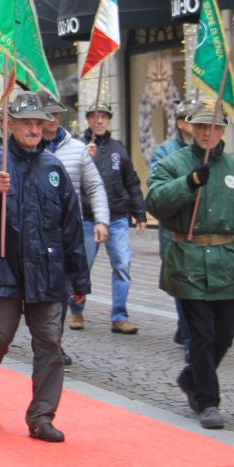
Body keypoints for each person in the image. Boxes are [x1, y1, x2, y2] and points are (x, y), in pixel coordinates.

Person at [0, 91, 89, 442]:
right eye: (27, 123)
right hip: (3, 268)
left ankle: (41, 417)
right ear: (10, 126)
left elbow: (71, 226)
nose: (34, 129)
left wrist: (79, 276)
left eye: (38, 123)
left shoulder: (54, 168)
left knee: (50, 342)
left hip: (48, 272)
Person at [146, 101, 234, 430]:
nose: (206, 132)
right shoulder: (172, 164)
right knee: (200, 334)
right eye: (201, 126)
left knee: (224, 335)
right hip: (187, 260)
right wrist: (188, 184)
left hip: (226, 263)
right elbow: (155, 202)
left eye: (214, 127)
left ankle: (191, 378)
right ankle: (208, 401)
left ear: (222, 131)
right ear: (189, 127)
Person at [37, 91, 108, 366]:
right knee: (40, 294)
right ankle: (43, 340)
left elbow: (95, 186)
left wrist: (101, 220)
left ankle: (54, 344)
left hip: (67, 233)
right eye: (48, 114)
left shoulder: (77, 149)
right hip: (35, 234)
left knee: (62, 290)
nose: (53, 119)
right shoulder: (27, 147)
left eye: (57, 114)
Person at [75, 101, 146, 334]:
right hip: (87, 217)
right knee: (82, 267)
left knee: (122, 266)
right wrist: (84, 157)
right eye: (95, 116)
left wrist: (139, 212)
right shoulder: (78, 146)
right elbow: (71, 178)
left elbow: (131, 181)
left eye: (104, 116)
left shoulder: (119, 148)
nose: (99, 120)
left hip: (116, 217)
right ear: (87, 119)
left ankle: (119, 315)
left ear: (109, 120)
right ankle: (76, 309)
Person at [148, 100, 202, 351]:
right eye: (194, 119)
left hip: (202, 228)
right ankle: (191, 337)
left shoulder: (207, 151)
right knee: (182, 281)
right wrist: (188, 181)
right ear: (181, 124)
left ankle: (186, 328)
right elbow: (156, 188)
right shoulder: (165, 152)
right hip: (174, 229)